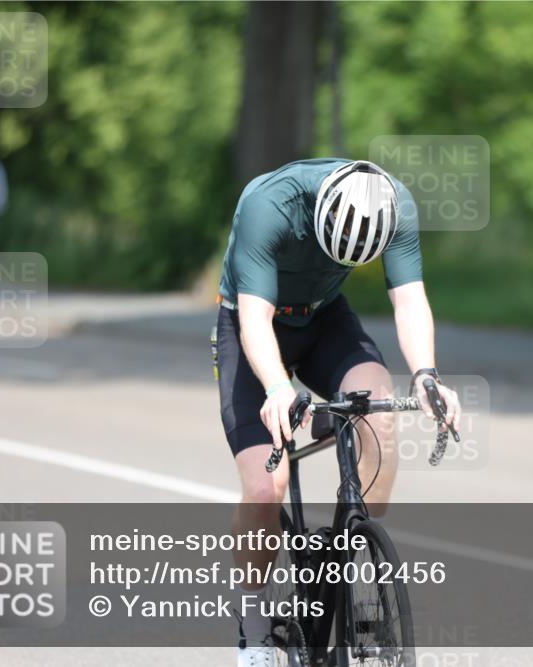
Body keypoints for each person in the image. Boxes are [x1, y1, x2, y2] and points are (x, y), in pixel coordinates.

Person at [215, 159, 461, 664]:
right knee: (267, 486)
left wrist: (427, 376)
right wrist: (279, 387)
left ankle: (350, 553)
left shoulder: (395, 205)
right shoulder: (268, 205)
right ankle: (255, 628)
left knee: (380, 415)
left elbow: (409, 300)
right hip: (253, 324)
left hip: (325, 319)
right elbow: (254, 319)